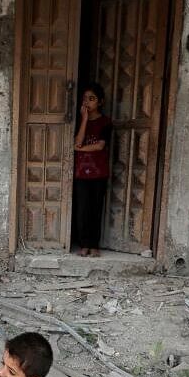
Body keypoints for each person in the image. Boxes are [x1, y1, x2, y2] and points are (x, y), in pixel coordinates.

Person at [72, 83, 112, 258]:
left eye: (92, 98)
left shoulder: (105, 122)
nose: (87, 102)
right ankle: (84, 244)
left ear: (100, 102)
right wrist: (85, 120)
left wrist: (79, 149)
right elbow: (78, 141)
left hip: (99, 173)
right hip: (81, 173)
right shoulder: (80, 121)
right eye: (85, 98)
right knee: (82, 210)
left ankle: (94, 245)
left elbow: (100, 146)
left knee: (95, 210)